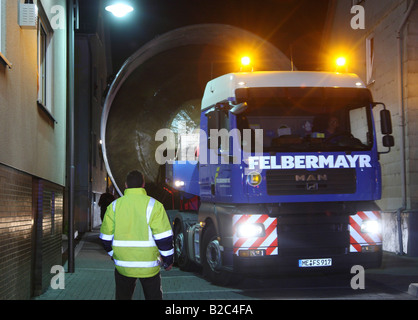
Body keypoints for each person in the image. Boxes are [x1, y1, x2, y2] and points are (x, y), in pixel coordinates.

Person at [100, 170, 174, 300]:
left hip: (123, 266)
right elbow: (164, 238)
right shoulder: (155, 206)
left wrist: (114, 254)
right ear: (143, 184)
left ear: (125, 185)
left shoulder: (114, 206)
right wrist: (168, 261)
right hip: (149, 266)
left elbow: (105, 238)